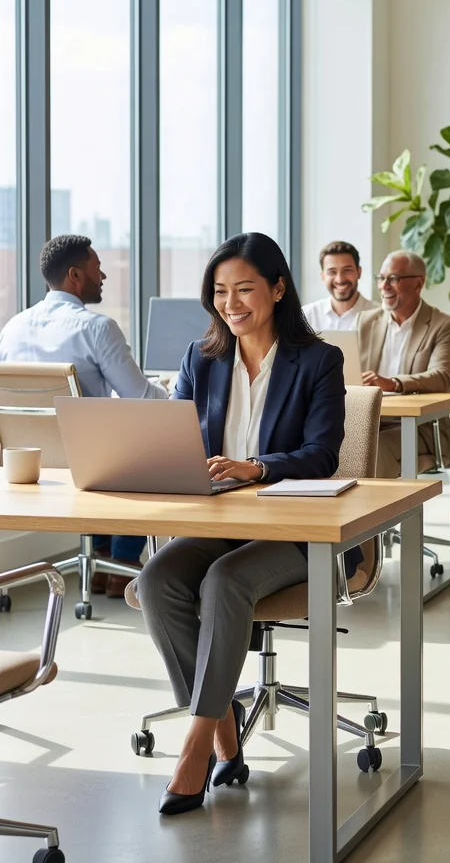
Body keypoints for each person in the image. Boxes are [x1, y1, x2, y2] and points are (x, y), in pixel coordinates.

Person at [136, 232, 358, 816]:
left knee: (225, 581)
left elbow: (322, 454)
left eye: (244, 289)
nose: (230, 303)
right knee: (156, 580)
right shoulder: (202, 358)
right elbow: (179, 438)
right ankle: (222, 722)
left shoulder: (319, 361)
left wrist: (255, 467)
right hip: (219, 520)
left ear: (278, 289)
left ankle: (196, 746)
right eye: (219, 291)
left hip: (297, 530)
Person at [0, 234, 167, 595]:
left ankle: (101, 556)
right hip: (86, 460)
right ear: (75, 275)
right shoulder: (96, 327)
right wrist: (172, 388)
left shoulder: (12, 328)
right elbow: (140, 397)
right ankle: (123, 564)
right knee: (150, 447)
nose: (103, 276)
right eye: (97, 267)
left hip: (28, 461)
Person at [356, 251, 450, 477]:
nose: (384, 286)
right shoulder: (365, 321)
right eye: (381, 278)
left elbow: (442, 376)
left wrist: (393, 383)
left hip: (420, 426)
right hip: (369, 420)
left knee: (373, 449)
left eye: (393, 279)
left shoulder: (444, 325)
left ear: (418, 284)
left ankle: (374, 502)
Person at [302, 240, 374, 332]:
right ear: (323, 276)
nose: (340, 279)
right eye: (332, 272)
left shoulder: (381, 316)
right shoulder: (307, 316)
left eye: (347, 270)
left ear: (359, 272)